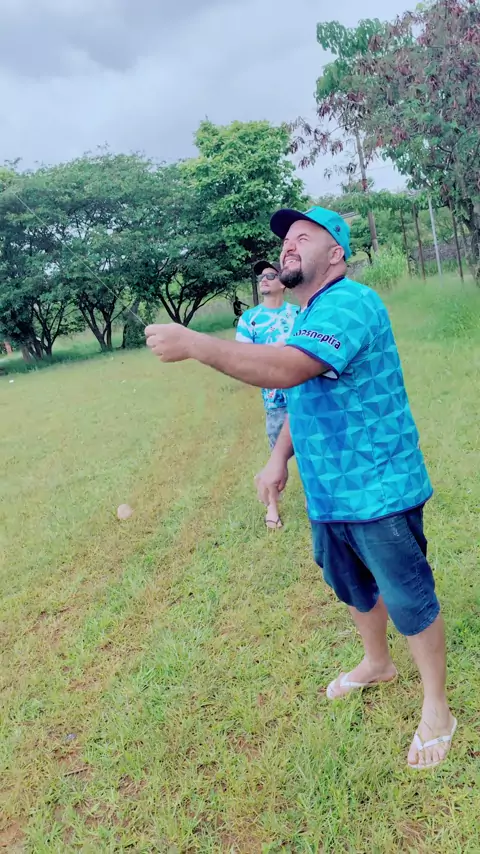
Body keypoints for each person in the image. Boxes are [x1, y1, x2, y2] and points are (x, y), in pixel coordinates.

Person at [145, 205, 456, 770]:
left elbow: (288, 369)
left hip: (377, 488)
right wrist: (277, 458)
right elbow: (304, 392)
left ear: (336, 254)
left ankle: (437, 708)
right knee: (352, 584)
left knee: (408, 594)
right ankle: (377, 663)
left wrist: (196, 344)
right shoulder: (309, 313)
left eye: (303, 237)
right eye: (285, 240)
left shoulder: (351, 302)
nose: (288, 246)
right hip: (330, 490)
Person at [235, 260, 298, 529]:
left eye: (271, 275)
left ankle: (317, 503)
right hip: (275, 401)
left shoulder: (299, 312)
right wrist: (279, 349)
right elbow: (242, 357)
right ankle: (272, 506)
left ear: (283, 282)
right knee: (277, 457)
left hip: (305, 396)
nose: (264, 279)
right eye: (261, 276)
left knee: (310, 453)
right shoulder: (249, 319)